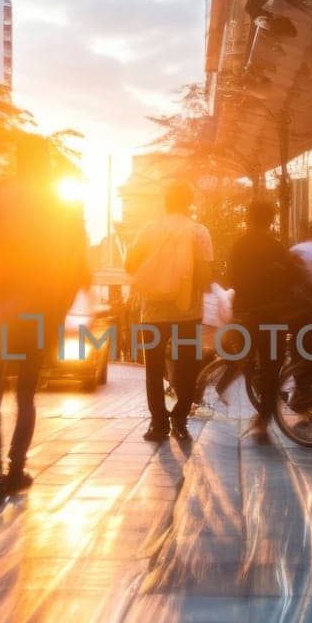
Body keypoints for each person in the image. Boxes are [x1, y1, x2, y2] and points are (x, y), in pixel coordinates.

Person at [0, 140, 89, 510]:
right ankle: (17, 467)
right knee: (25, 395)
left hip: (0, 306)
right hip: (39, 309)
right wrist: (59, 310)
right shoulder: (62, 208)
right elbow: (78, 268)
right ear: (47, 165)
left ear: (17, 161)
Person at [227, 200, 312, 444]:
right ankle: (263, 419)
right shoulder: (276, 247)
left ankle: (248, 375)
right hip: (272, 315)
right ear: (270, 221)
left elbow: (231, 278)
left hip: (245, 313)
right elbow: (293, 277)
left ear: (249, 219)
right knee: (273, 365)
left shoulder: (238, 246)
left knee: (248, 359)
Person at [127, 182, 214, 443]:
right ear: (190, 203)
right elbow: (206, 275)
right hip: (187, 312)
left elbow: (130, 264)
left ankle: (158, 425)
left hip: (153, 313)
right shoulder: (199, 232)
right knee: (187, 366)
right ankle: (180, 420)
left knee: (153, 369)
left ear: (165, 203)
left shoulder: (149, 230)